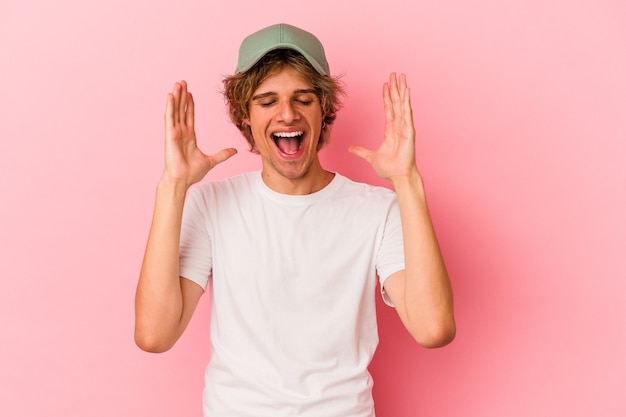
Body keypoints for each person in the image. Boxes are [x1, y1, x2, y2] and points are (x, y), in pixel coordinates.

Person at [135, 23, 455, 417]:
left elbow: (433, 328)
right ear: (245, 117)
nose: (287, 114)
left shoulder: (377, 209)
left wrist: (408, 181)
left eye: (303, 99)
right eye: (267, 101)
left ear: (324, 110)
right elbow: (154, 334)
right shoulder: (210, 204)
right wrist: (173, 186)